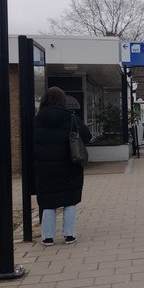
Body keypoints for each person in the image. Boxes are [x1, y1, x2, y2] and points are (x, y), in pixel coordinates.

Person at [33, 87, 92, 246]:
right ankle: (69, 235)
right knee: (69, 201)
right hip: (69, 166)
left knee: (48, 203)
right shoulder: (71, 118)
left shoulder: (36, 120)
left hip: (45, 169)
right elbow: (87, 136)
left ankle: (47, 237)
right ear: (63, 100)